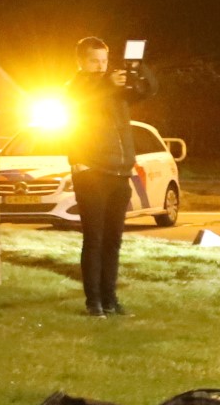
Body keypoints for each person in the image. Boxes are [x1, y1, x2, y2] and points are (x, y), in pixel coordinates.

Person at [64, 36, 156, 316]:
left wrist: (138, 68)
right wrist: (107, 83)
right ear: (81, 61)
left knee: (113, 239)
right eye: (94, 60)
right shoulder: (76, 87)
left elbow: (148, 90)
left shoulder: (113, 89)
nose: (100, 66)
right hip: (93, 172)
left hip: (119, 173)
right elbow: (86, 96)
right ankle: (94, 302)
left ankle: (110, 298)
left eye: (104, 60)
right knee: (94, 238)